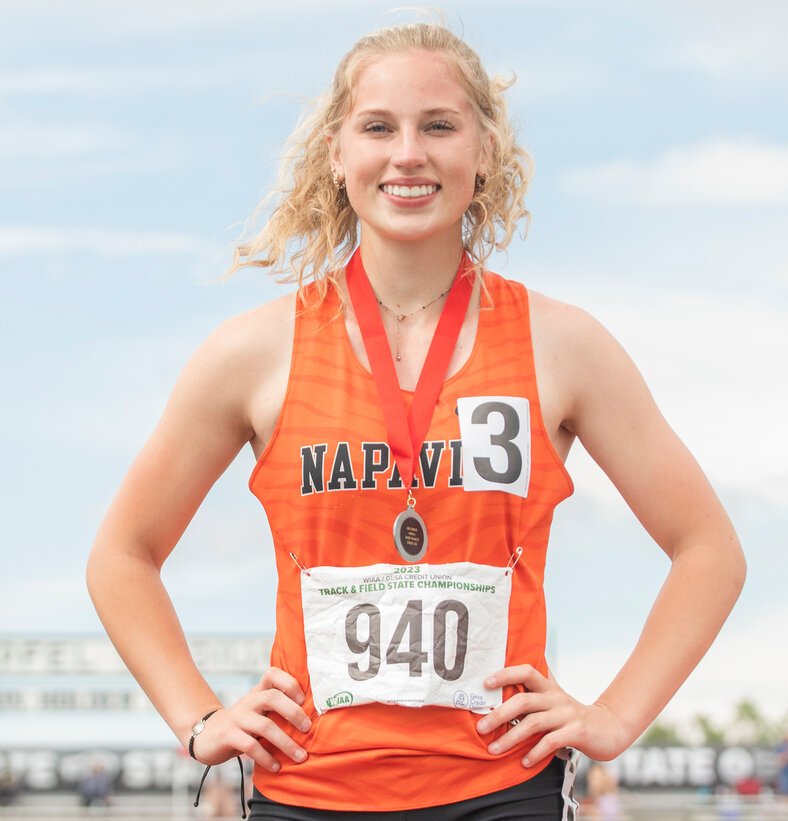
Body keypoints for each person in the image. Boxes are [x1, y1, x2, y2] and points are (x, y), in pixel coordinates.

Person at [86, 18, 746, 820]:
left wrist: (611, 718)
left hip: (503, 790)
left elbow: (709, 549)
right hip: (306, 792)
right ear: (337, 153)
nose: (408, 153)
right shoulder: (254, 353)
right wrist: (197, 719)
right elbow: (122, 554)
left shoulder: (561, 345)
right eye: (378, 127)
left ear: (485, 151)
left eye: (439, 125)